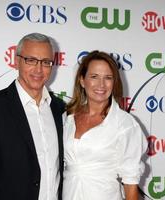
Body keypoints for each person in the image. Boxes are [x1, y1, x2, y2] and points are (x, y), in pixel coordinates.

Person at [0, 33, 65, 200]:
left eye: (46, 62)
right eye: (31, 60)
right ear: (17, 62)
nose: (39, 69)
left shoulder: (60, 109)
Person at [63, 50, 147, 200]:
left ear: (114, 82)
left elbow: (130, 184)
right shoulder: (68, 118)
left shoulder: (125, 124)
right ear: (82, 80)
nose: (101, 84)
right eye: (94, 77)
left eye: (108, 78)